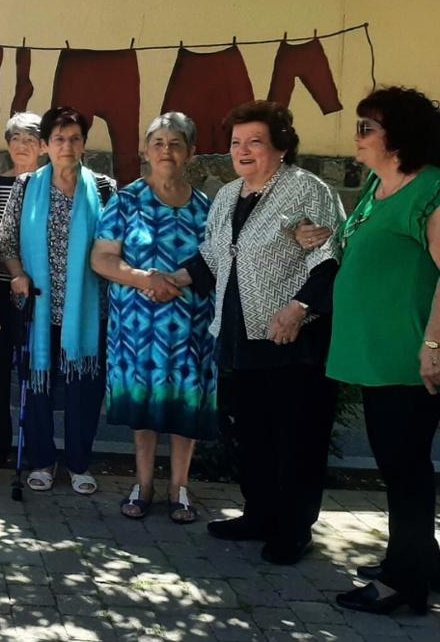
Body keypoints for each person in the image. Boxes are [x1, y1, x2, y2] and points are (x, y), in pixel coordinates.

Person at [169, 100, 344, 566]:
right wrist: (169, 281)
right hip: (238, 335)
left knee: (296, 437)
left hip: (291, 339)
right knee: (252, 433)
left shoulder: (308, 191)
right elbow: (212, 256)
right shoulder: (228, 195)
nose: (242, 151)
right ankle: (259, 514)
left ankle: (293, 528)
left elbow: (329, 258)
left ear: (281, 148)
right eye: (235, 143)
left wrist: (298, 308)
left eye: (255, 142)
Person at [328, 88, 440, 615]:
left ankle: (405, 583)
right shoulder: (378, 185)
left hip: (407, 357)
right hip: (376, 354)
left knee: (405, 469)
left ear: (397, 137)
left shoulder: (431, 190)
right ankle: (420, 561)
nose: (358, 135)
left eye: (367, 127)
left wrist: (434, 342)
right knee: (400, 466)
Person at [90, 113, 215, 523]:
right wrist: (148, 278)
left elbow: (215, 263)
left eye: (176, 143)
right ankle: (143, 483)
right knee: (143, 407)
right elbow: (103, 258)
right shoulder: (125, 201)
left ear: (191, 153)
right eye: (158, 142)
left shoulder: (207, 209)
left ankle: (180, 487)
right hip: (138, 328)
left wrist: (173, 283)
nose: (166, 150)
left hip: (191, 325)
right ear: (146, 151)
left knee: (185, 405)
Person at [0, 107, 115, 496]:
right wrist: (17, 274)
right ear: (46, 145)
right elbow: (6, 242)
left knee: (85, 389)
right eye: (59, 139)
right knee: (38, 387)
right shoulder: (27, 185)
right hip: (38, 307)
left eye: (75, 138)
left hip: (87, 309)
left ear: (84, 144)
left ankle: (80, 463)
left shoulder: (103, 189)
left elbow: (116, 247)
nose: (67, 146)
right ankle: (42, 461)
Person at [0, 111, 45, 468]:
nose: (22, 146)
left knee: (36, 368)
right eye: (16, 139)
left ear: (44, 147)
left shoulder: (49, 187)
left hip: (38, 293)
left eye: (31, 139)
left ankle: (36, 447)